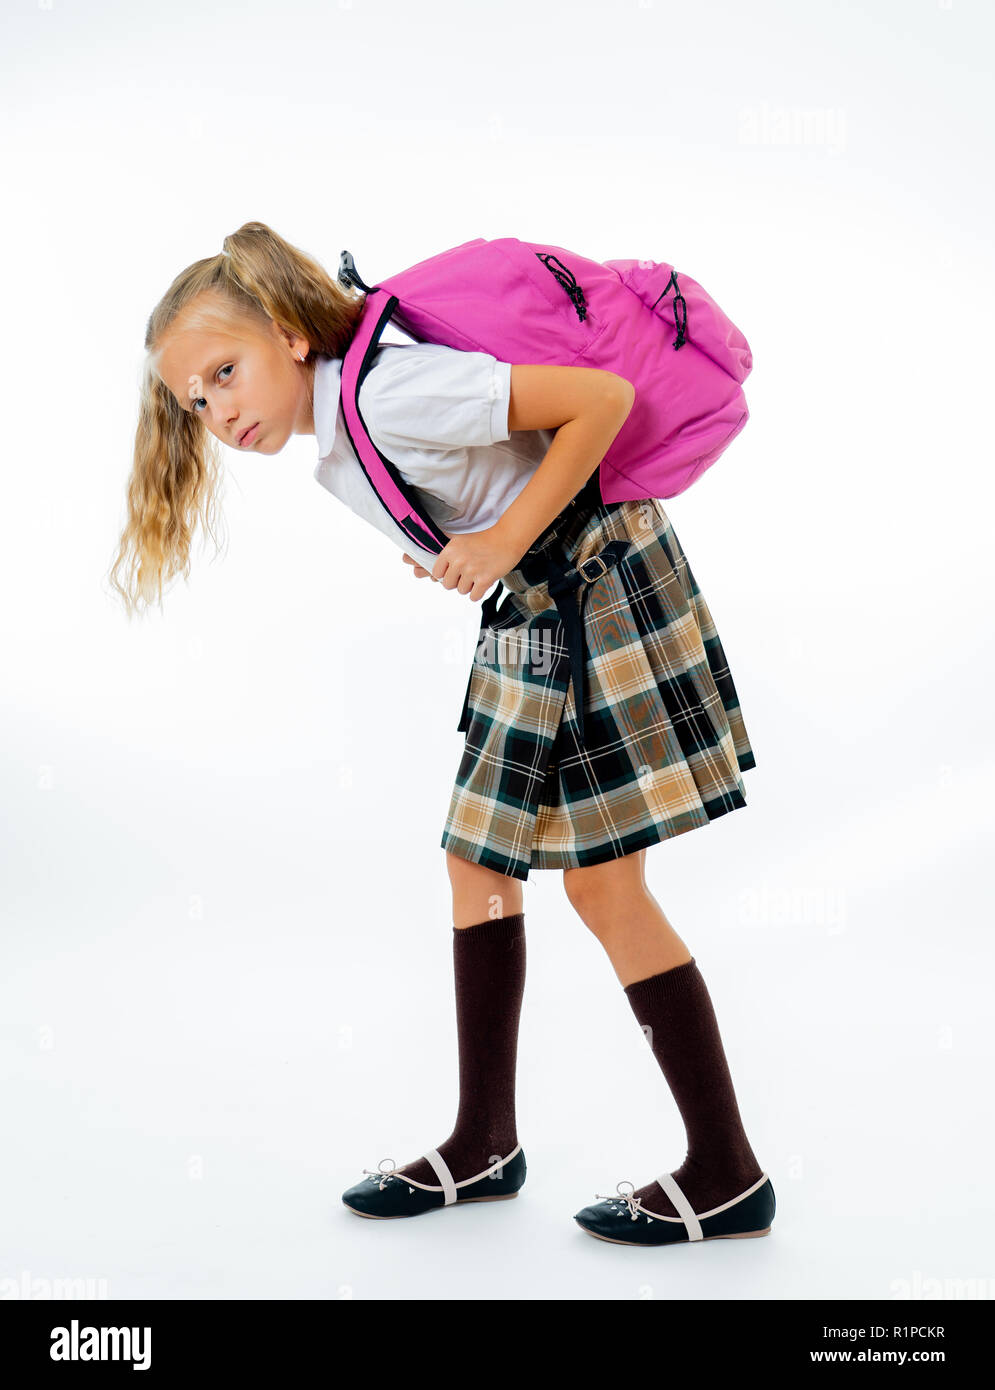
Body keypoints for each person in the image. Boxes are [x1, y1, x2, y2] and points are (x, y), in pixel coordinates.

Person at [108, 220, 775, 1248]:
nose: (216, 411)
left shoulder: (387, 392)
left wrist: (501, 535)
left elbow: (600, 401)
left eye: (224, 373)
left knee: (602, 886)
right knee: (480, 867)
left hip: (591, 583)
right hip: (536, 604)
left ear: (289, 334)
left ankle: (723, 1172)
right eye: (195, 400)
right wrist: (474, 536)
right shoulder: (347, 430)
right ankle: (485, 1141)